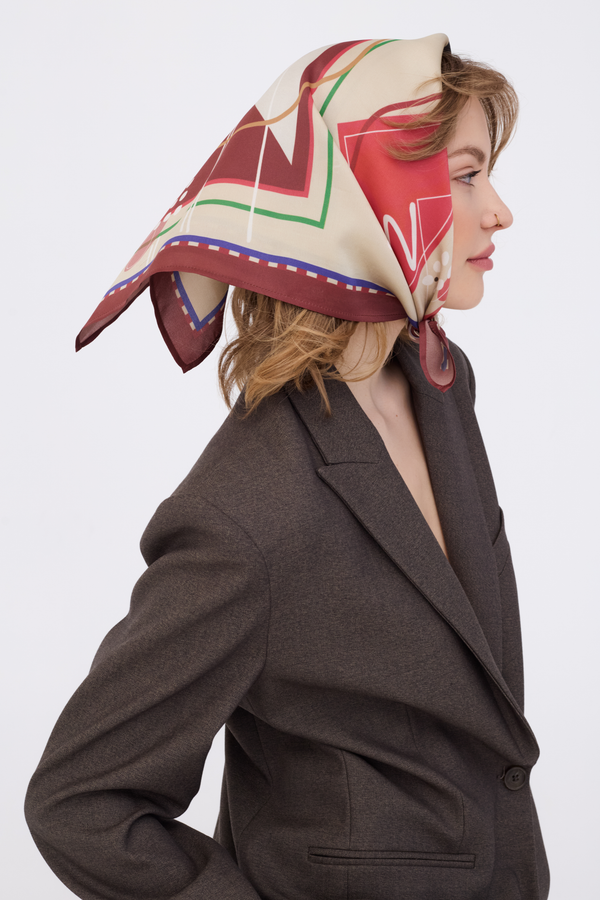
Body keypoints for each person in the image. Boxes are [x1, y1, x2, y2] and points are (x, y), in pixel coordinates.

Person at [25, 35, 550, 900]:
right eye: (464, 175)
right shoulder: (249, 506)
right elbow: (80, 802)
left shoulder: (441, 387)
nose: (498, 210)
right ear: (368, 197)